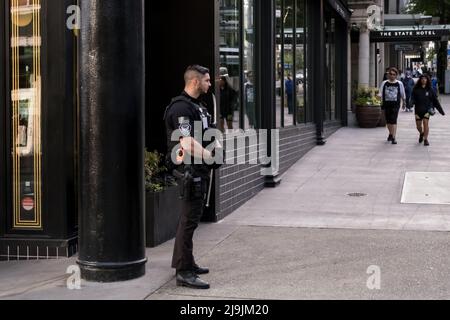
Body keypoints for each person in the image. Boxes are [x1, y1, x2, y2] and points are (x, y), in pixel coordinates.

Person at [164, 65, 221, 289]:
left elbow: (210, 133)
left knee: (192, 220)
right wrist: (209, 156)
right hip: (189, 171)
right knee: (188, 221)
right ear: (195, 82)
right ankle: (183, 271)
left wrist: (217, 148)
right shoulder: (180, 108)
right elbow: (186, 142)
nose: (210, 84)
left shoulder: (199, 107)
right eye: (207, 81)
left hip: (199, 171)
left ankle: (188, 262)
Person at [410, 74, 445, 146]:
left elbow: (435, 101)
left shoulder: (430, 89)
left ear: (427, 80)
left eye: (425, 79)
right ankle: (421, 133)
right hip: (418, 110)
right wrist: (410, 103)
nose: (423, 80)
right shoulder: (416, 89)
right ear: (420, 80)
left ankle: (426, 139)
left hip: (427, 110)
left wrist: (441, 111)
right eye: (422, 78)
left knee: (426, 124)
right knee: (418, 126)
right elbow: (412, 98)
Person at [379, 67, 406, 145]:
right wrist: (378, 99)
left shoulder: (399, 83)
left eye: (394, 74)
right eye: (390, 74)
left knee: (393, 120)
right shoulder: (384, 83)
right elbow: (380, 93)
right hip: (386, 104)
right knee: (388, 121)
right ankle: (390, 133)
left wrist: (404, 102)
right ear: (388, 75)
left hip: (395, 105)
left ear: (396, 75)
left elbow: (402, 94)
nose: (392, 76)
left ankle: (393, 137)